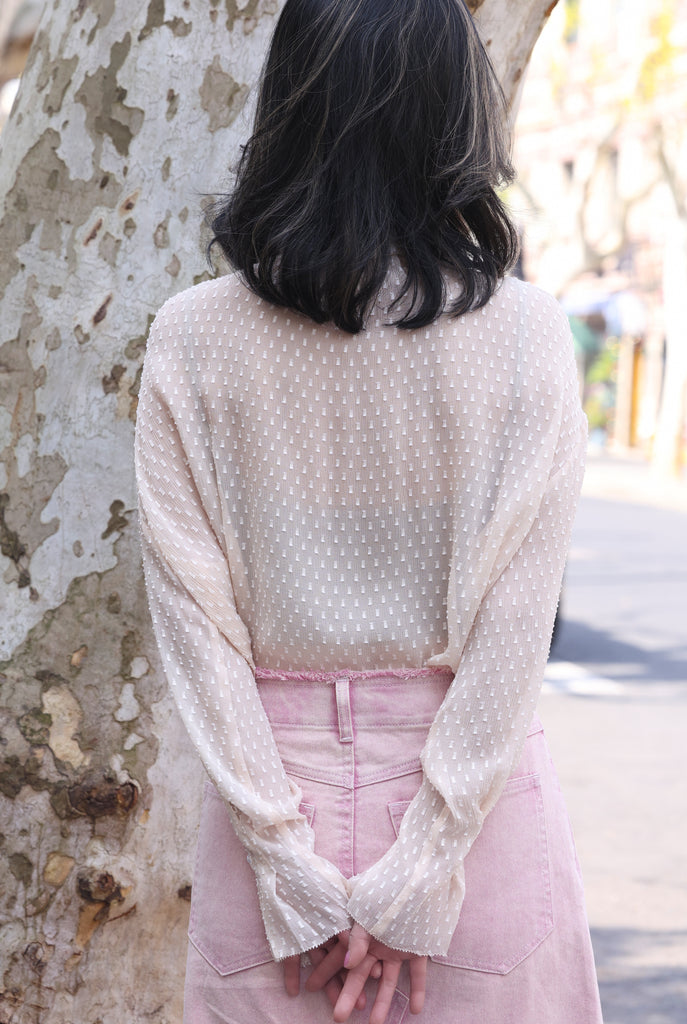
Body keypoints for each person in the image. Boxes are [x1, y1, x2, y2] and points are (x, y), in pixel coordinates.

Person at [134, 1, 603, 1021]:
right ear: (455, 118)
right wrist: (425, 862)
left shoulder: (191, 339)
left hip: (270, 801)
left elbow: (195, 625)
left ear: (289, 107)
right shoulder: (525, 336)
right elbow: (515, 628)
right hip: (472, 809)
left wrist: (284, 858)